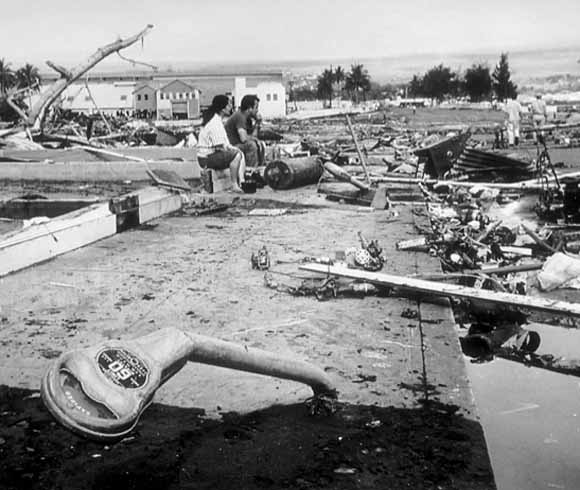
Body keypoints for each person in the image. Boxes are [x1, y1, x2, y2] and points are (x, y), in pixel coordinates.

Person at [196, 95, 246, 192]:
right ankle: (234, 184)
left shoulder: (216, 119)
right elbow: (218, 146)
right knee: (236, 155)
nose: (230, 107)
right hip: (206, 158)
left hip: (208, 155)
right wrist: (232, 151)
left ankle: (241, 182)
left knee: (238, 152)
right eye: (229, 104)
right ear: (223, 108)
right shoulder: (214, 122)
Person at [224, 94, 266, 167]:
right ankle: (250, 170)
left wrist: (257, 124)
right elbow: (244, 139)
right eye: (256, 108)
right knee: (252, 145)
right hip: (231, 146)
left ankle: (259, 167)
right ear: (249, 108)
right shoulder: (240, 116)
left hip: (237, 144)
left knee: (260, 144)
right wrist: (254, 140)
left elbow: (253, 136)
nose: (257, 110)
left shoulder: (247, 118)